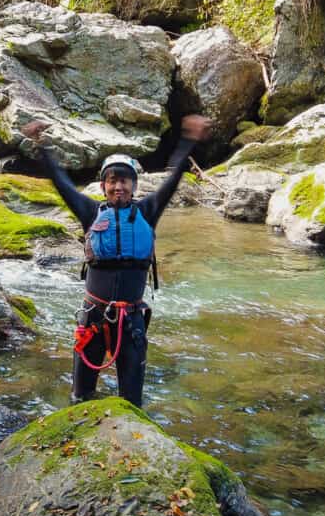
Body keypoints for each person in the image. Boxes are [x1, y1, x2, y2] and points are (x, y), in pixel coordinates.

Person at [22, 115, 213, 407]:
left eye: (124, 181)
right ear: (103, 186)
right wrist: (40, 143)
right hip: (93, 321)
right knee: (80, 399)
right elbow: (60, 182)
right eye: (112, 181)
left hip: (131, 323)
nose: (118, 187)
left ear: (134, 186)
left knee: (132, 404)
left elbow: (174, 178)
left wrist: (190, 140)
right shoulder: (90, 212)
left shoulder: (149, 211)